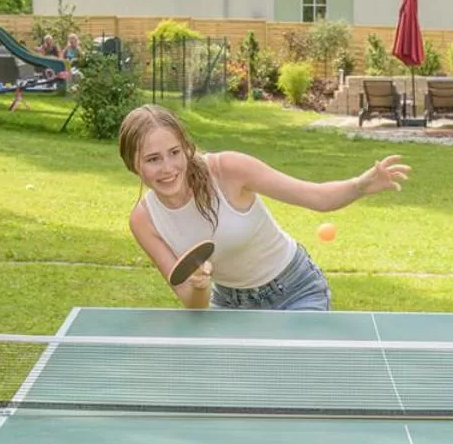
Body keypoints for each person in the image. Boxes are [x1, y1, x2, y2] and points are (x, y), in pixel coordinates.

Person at [120, 103, 408, 310]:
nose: (168, 168)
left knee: (295, 384)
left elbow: (316, 197)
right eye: (153, 159)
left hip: (295, 289)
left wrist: (359, 185)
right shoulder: (144, 220)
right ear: (133, 163)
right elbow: (192, 304)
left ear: (186, 148)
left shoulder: (228, 170)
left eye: (174, 153)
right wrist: (198, 285)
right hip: (231, 305)